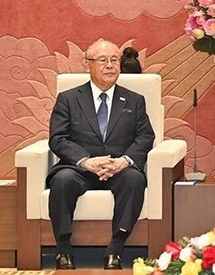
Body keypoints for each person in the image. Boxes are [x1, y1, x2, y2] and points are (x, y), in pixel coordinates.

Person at [47, 39, 155, 270]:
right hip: (79, 169)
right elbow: (58, 138)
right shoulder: (68, 98)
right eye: (103, 60)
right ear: (88, 64)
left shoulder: (135, 100)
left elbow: (145, 137)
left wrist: (124, 161)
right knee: (62, 181)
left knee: (134, 179)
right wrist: (86, 161)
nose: (110, 66)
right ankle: (63, 249)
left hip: (118, 168)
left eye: (114, 60)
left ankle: (115, 249)